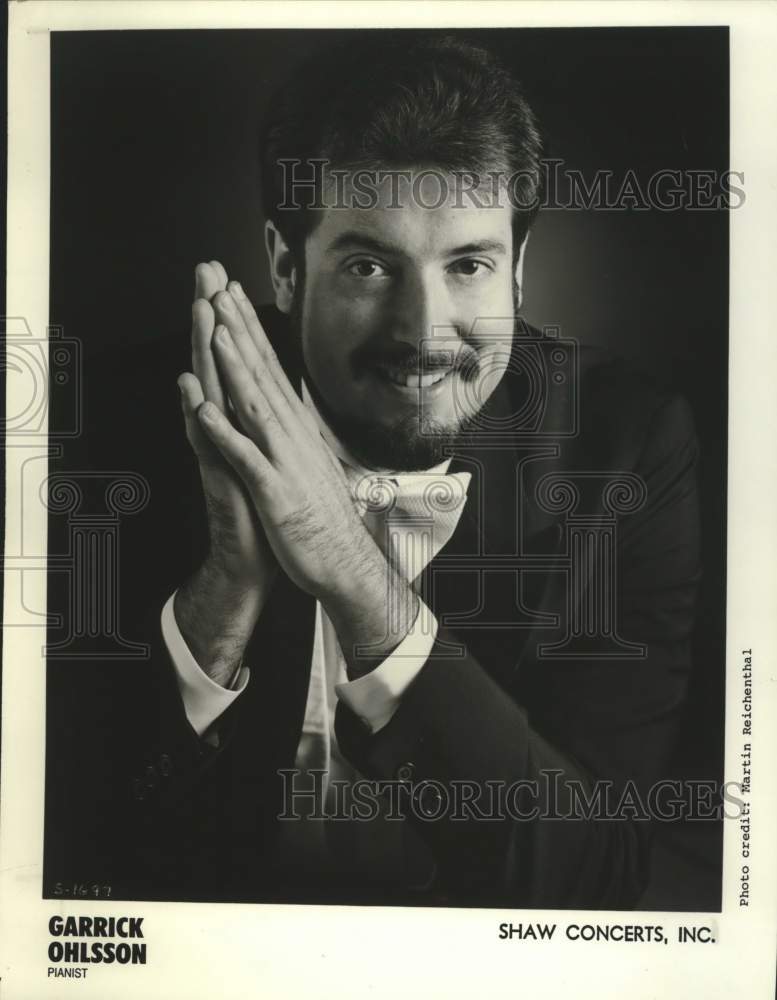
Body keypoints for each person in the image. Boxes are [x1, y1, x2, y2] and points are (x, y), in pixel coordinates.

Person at [51, 34, 700, 908]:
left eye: (466, 265)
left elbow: (591, 875)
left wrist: (351, 574)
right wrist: (227, 594)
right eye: (367, 266)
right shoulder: (104, 421)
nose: (424, 331)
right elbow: (58, 851)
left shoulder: (628, 446)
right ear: (286, 267)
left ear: (517, 271)